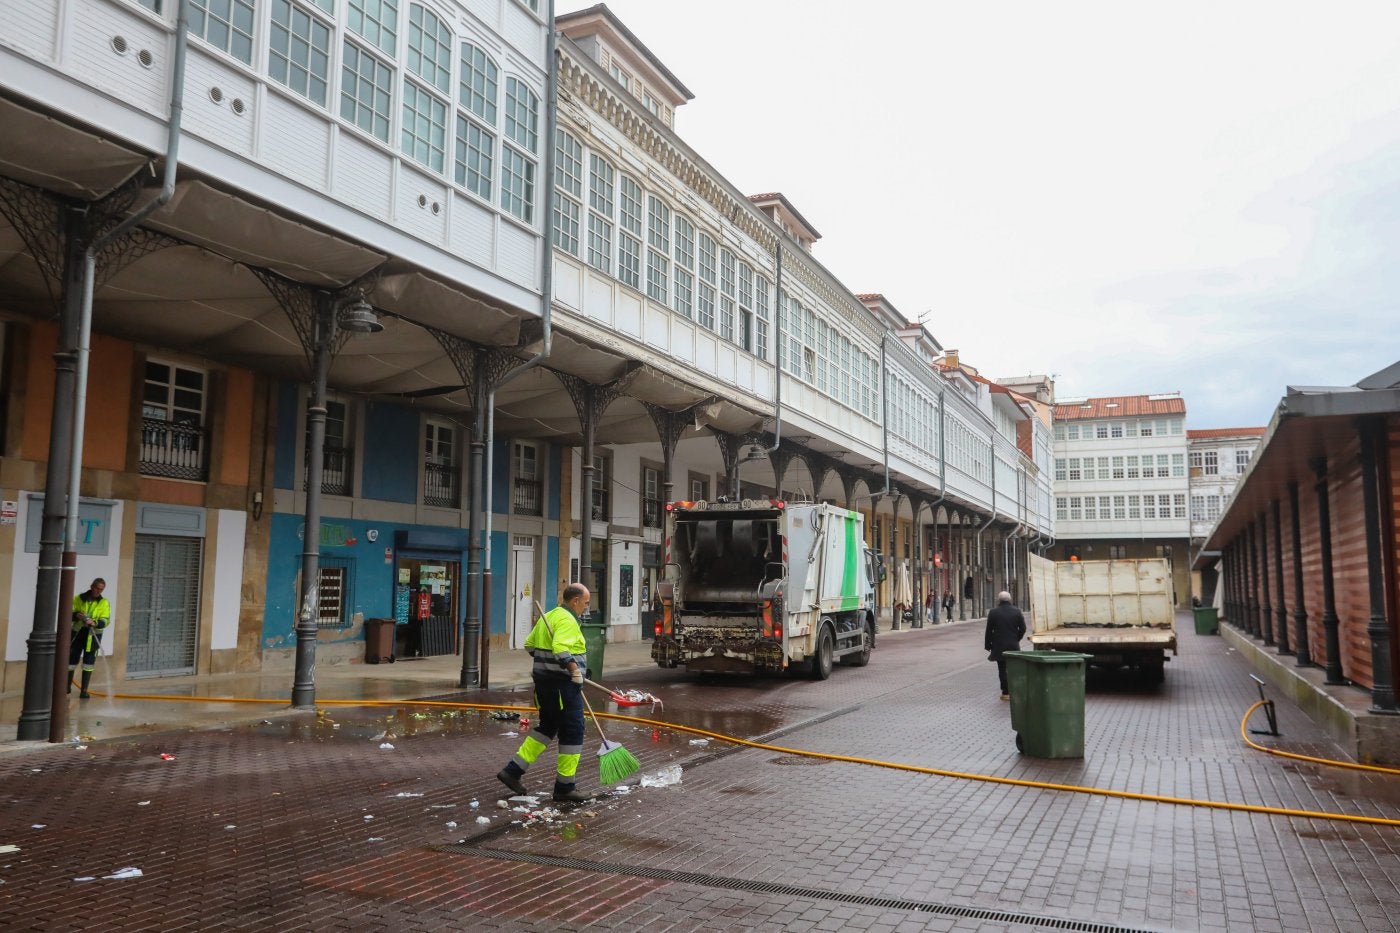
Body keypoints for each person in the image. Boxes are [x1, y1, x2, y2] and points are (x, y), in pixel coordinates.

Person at [497, 583, 594, 803]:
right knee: (573, 731)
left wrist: (545, 662)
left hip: (544, 685)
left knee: (547, 727)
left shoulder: (549, 615)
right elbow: (561, 647)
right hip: (563, 687)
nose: (587, 608)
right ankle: (565, 787)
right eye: (586, 603)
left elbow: (530, 645)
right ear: (575, 600)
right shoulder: (568, 620)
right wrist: (574, 671)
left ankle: (512, 771)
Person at [68, 578, 112, 699]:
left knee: (89, 663)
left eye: (101, 589)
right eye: (96, 588)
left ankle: (84, 691)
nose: (98, 591)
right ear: (91, 586)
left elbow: (106, 620)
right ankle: (66, 687)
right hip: (77, 634)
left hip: (93, 637)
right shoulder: (78, 598)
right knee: (70, 661)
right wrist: (77, 615)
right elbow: (67, 613)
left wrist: (95, 622)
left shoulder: (104, 602)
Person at [984, 590, 1026, 700]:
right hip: (1013, 645)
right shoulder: (1017, 611)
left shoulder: (993, 612)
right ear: (1010, 600)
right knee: (1013, 668)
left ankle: (1005, 692)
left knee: (1002, 669)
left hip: (999, 645)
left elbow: (989, 630)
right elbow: (1023, 628)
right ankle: (1014, 689)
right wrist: (1017, 638)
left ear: (999, 600)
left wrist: (988, 645)